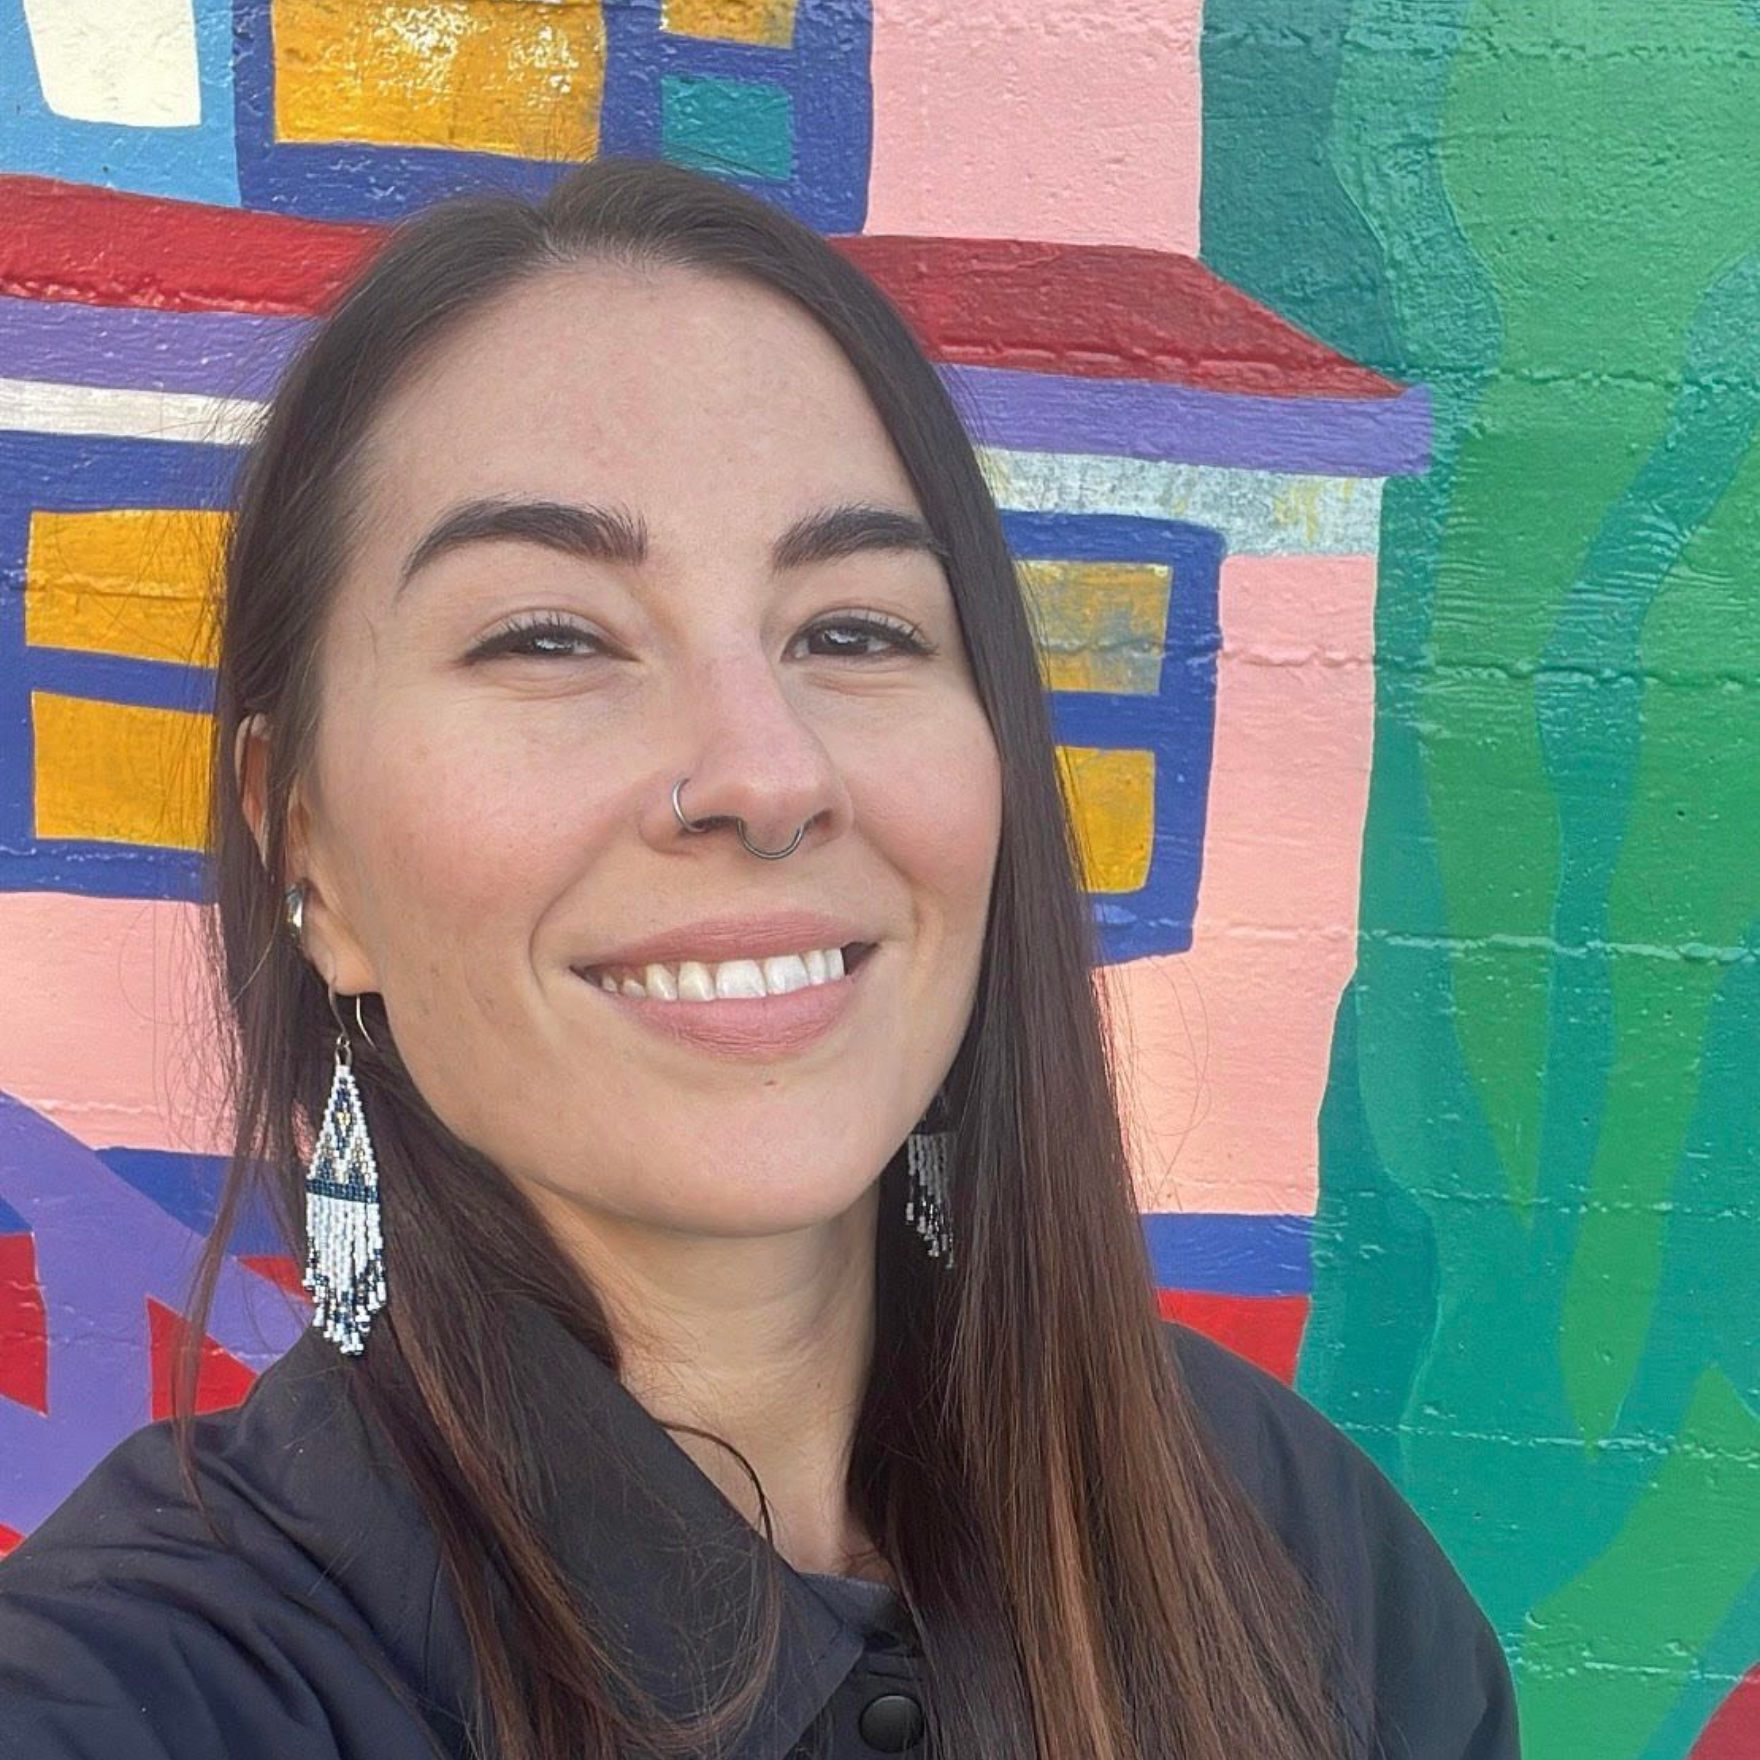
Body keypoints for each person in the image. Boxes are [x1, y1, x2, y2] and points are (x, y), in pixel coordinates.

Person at [0, 156, 1521, 1760]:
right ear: (303, 845)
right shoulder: (146, 1693)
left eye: (855, 631)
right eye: (550, 635)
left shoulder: (1294, 1549)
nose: (766, 772)